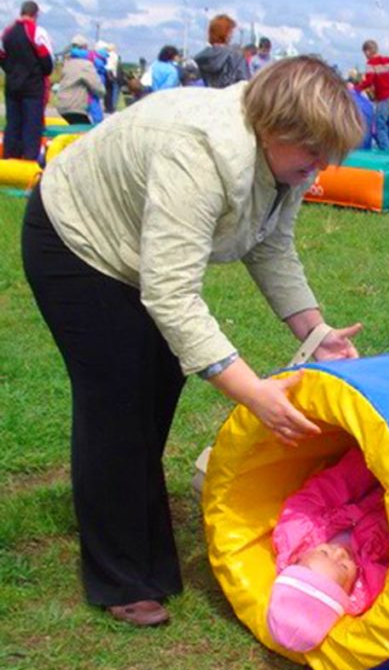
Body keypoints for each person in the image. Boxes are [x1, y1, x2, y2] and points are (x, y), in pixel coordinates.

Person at [21, 56, 365, 628]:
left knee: (156, 388)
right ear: (275, 130)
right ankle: (120, 577)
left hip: (142, 257)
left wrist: (317, 333)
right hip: (77, 245)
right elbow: (172, 295)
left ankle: (144, 545)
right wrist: (252, 392)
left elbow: (271, 246)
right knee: (116, 402)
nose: (321, 168)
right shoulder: (198, 153)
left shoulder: (288, 165)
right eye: (313, 154)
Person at [267, 447, 389, 652]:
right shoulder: (370, 582)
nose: (339, 552)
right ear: (349, 591)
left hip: (360, 477)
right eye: (343, 567)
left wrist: (371, 462)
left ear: (298, 558)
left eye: (324, 553)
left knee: (339, 481)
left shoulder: (295, 533)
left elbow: (321, 493)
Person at [0, 0, 53, 160]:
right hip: (33, 87)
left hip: (12, 85)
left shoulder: (7, 32)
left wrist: (11, 71)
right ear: (35, 15)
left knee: (13, 125)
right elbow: (47, 62)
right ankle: (29, 162)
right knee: (32, 127)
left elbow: (1, 56)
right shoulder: (37, 32)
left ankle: (9, 161)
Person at [56, 35, 106, 124]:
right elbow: (97, 87)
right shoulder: (85, 65)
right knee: (86, 133)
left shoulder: (67, 63)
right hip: (75, 107)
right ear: (85, 47)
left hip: (62, 105)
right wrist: (102, 92)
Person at [194, 14, 250, 89]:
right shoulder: (236, 56)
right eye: (231, 32)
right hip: (230, 98)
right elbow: (245, 84)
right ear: (226, 34)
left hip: (206, 98)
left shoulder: (199, 58)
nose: (232, 35)